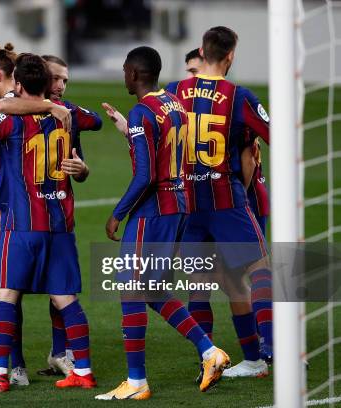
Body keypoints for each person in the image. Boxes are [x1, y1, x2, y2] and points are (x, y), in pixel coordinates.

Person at [0, 53, 95, 392]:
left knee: (3, 293)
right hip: (58, 224)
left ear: (17, 84)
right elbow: (97, 121)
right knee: (65, 299)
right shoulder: (66, 118)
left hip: (22, 224)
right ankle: (83, 372)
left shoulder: (10, 121)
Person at [95, 46, 230, 401]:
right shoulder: (174, 105)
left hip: (153, 210)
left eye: (125, 70)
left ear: (135, 74)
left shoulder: (142, 112)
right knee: (152, 289)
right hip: (180, 206)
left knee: (131, 289)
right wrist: (129, 131)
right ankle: (209, 351)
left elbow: (145, 175)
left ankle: (136, 381)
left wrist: (118, 213)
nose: (123, 75)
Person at [165, 26, 272, 378]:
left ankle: (209, 361)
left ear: (201, 51)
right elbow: (277, 137)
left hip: (186, 205)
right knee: (260, 271)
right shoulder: (239, 96)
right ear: (230, 56)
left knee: (200, 283)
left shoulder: (172, 92)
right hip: (226, 199)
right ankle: (269, 351)